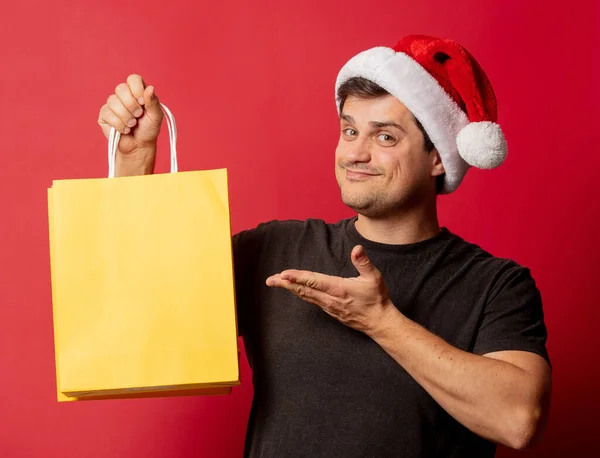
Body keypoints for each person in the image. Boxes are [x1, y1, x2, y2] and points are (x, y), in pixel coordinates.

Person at [97, 34, 552, 457]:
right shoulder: (274, 249)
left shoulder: (495, 284)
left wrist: (382, 322)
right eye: (350, 130)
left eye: (385, 136)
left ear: (437, 156)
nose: (355, 152)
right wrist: (134, 162)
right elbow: (144, 308)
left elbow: (516, 420)